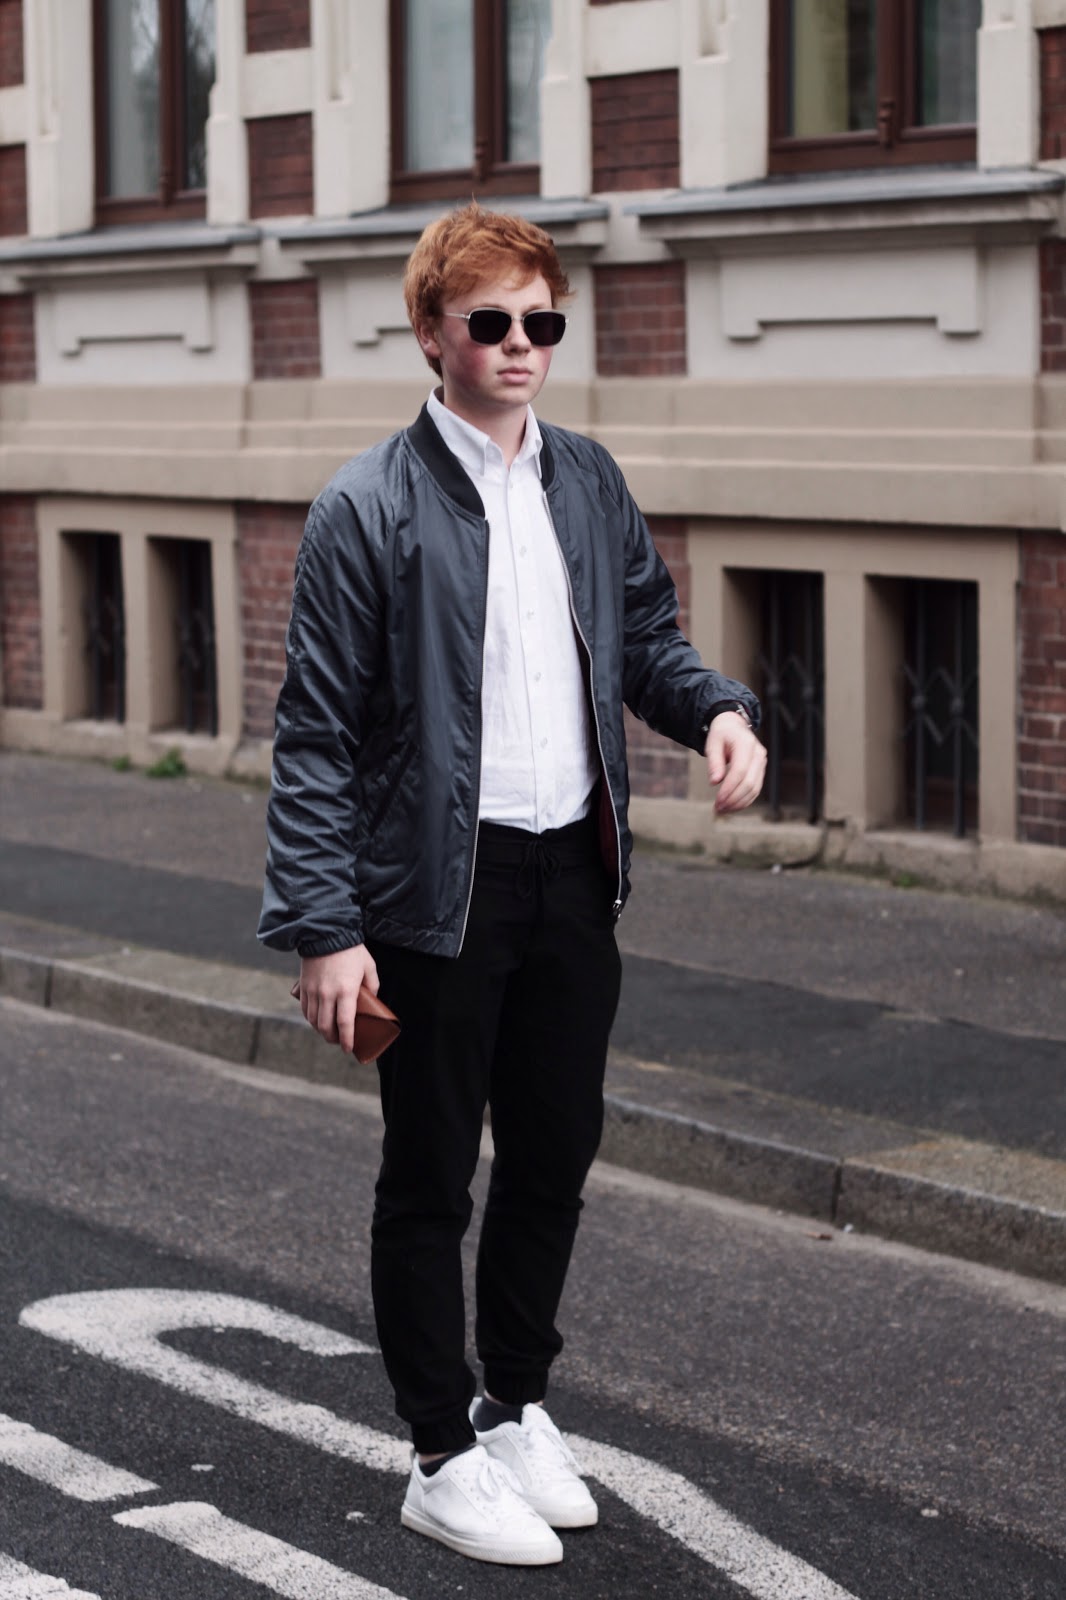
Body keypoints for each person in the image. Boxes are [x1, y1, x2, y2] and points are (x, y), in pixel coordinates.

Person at [259, 202, 766, 1567]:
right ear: (433, 335)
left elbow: (643, 638)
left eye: (543, 320)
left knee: (552, 1154)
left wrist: (717, 709)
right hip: (434, 893)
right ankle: (439, 1453)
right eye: (490, 321)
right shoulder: (367, 505)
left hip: (570, 873)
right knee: (430, 1176)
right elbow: (314, 735)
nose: (521, 343)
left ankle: (515, 1404)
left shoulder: (585, 480)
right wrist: (323, 927)